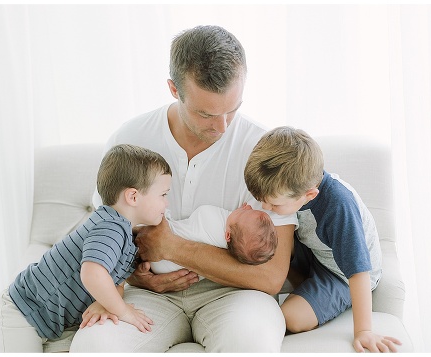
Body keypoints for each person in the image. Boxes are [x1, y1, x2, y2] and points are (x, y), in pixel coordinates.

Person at [69, 25, 298, 353]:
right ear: (174, 89)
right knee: (94, 347)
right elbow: (102, 235)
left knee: (253, 342)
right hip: (147, 294)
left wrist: (172, 247)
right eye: (206, 113)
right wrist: (135, 277)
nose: (222, 127)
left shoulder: (265, 150)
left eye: (232, 109)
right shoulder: (129, 139)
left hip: (236, 296)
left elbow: (270, 277)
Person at [0, 144, 171, 352]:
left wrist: (106, 302)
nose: (166, 204)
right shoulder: (109, 226)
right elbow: (92, 275)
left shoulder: (127, 239)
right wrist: (123, 311)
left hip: (58, 322)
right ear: (133, 197)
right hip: (25, 309)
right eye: (163, 195)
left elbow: (117, 281)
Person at [243, 126, 402, 353]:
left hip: (343, 274)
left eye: (274, 204)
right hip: (315, 251)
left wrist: (364, 331)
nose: (266, 208)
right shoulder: (291, 186)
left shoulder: (338, 207)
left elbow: (358, 271)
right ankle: (303, 282)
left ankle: (310, 290)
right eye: (262, 200)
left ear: (309, 195)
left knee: (291, 317)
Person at [151, 203, 277, 274]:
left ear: (228, 235)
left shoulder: (212, 223)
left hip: (158, 249)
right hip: (162, 268)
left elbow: (202, 213)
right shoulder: (235, 239)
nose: (248, 206)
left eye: (244, 211)